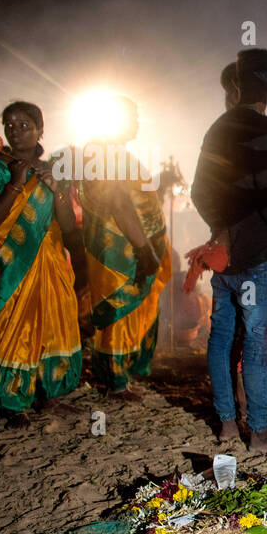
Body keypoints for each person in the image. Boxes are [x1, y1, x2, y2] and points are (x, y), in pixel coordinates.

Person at [191, 48, 267, 452]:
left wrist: (221, 229)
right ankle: (260, 432)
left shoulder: (217, 128)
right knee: (256, 342)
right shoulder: (263, 125)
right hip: (260, 257)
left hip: (226, 258)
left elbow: (198, 191)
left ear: (237, 84)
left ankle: (225, 424)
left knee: (221, 338)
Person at [0, 101, 82, 421]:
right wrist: (15, 183)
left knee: (54, 322)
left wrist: (56, 188)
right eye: (9, 125)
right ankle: (11, 398)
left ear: (40, 130)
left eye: (23, 125)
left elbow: (67, 223)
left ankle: (50, 394)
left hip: (49, 257)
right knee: (15, 325)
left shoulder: (52, 169)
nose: (15, 131)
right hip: (11, 262)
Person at [72, 95, 171, 398]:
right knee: (118, 310)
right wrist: (143, 250)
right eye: (131, 116)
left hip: (133, 242)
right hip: (120, 248)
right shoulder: (103, 155)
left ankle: (120, 372)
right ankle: (114, 382)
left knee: (130, 310)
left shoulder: (113, 154)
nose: (136, 122)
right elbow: (118, 202)